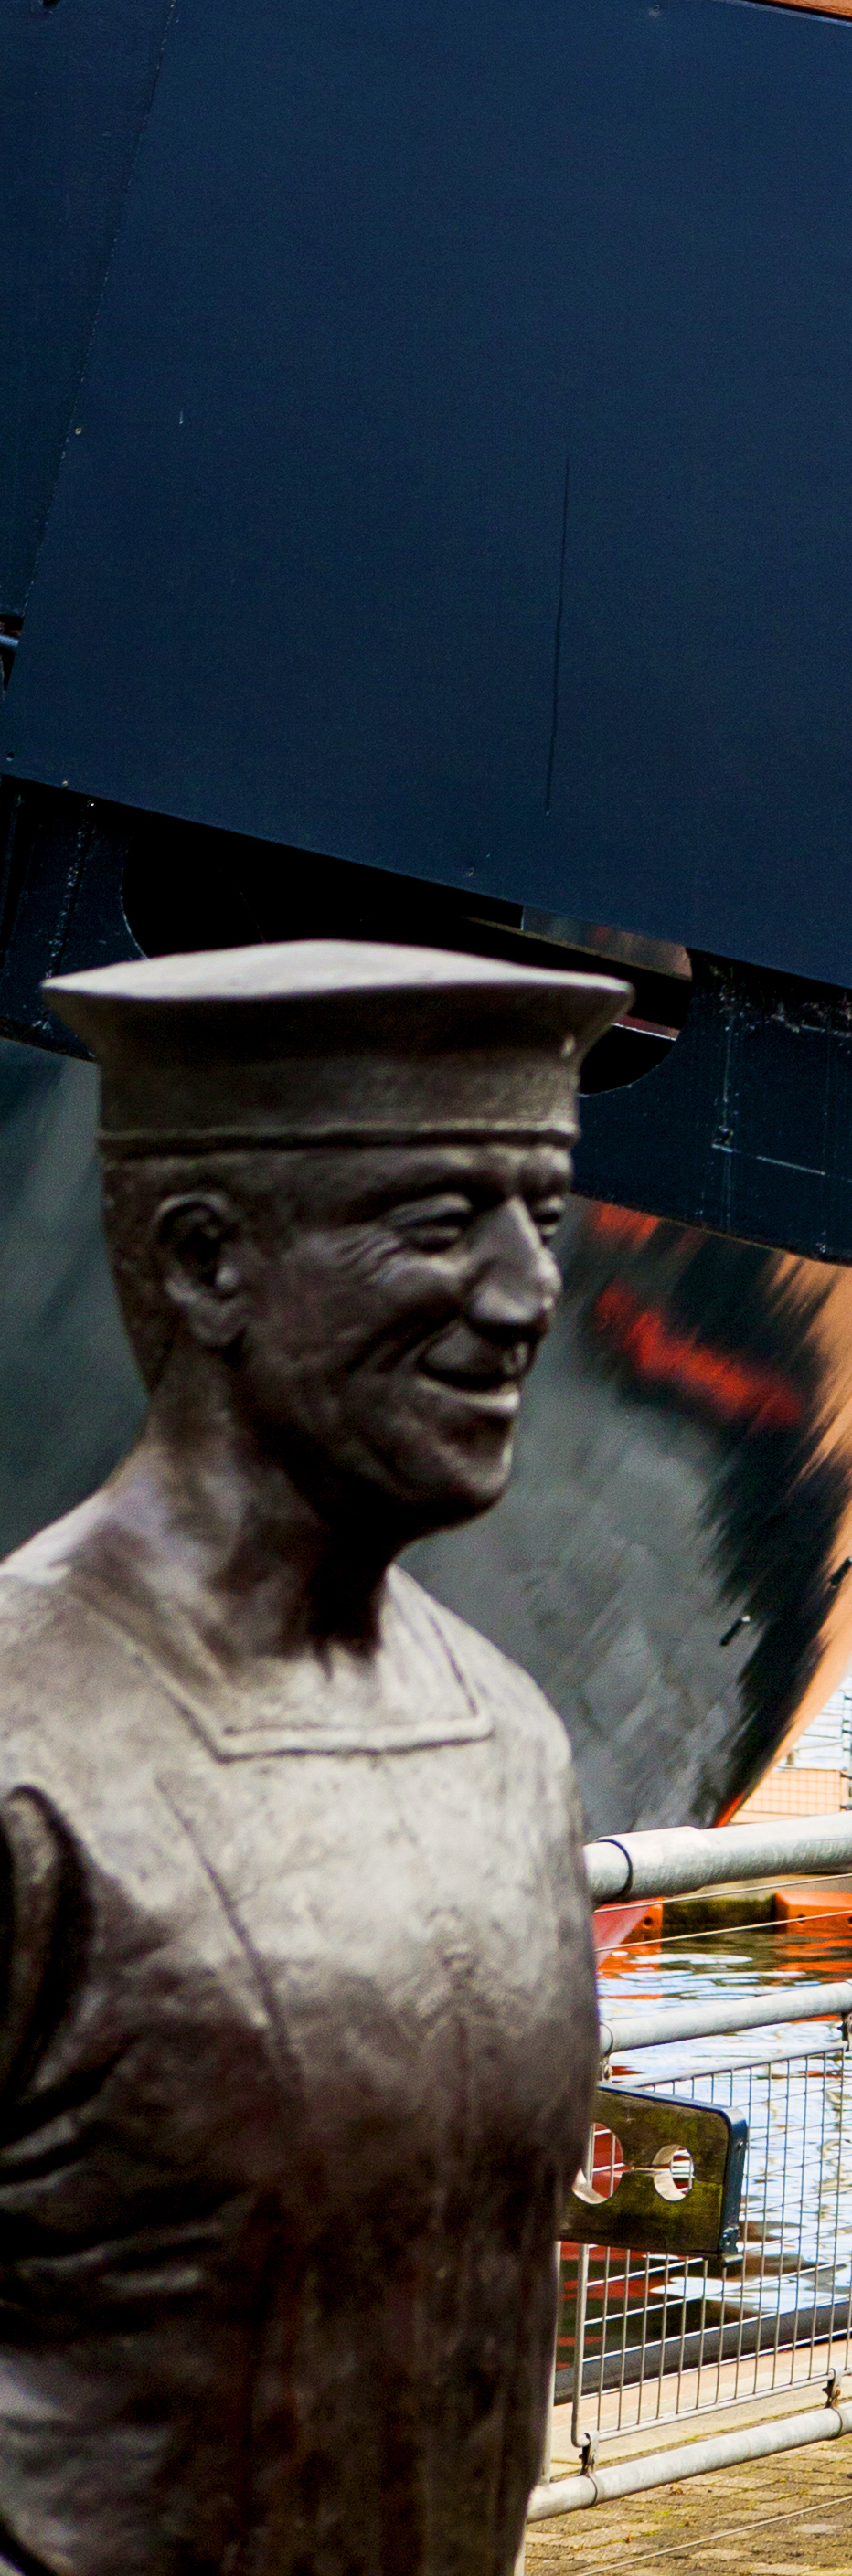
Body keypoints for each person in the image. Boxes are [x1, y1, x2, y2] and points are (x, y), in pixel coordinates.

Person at [0, 934, 619, 2574]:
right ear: (206, 1262)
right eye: (437, 1224)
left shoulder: (510, 1741)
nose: (523, 1297)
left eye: (540, 1218)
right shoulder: (23, 1756)